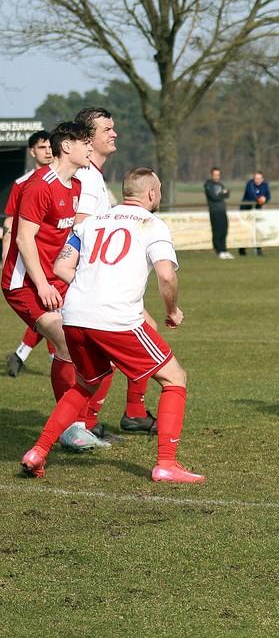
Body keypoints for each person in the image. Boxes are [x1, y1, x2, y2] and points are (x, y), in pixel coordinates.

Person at [21, 167, 203, 483]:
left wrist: (91, 286)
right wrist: (172, 310)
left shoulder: (91, 222)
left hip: (75, 315)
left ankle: (37, 452)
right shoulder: (152, 224)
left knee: (85, 385)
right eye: (159, 189)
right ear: (151, 193)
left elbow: (61, 266)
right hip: (115, 317)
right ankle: (166, 464)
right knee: (175, 378)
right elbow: (166, 275)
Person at [2, 122, 102, 450]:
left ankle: (80, 422)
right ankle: (71, 428)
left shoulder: (75, 186)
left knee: (88, 340)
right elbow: (23, 238)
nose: (90, 149)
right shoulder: (38, 186)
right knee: (65, 340)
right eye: (85, 143)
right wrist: (43, 283)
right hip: (24, 283)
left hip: (54, 279)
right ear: (67, 146)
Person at [71, 107, 157, 438]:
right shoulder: (88, 179)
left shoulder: (93, 176)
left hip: (90, 283)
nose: (114, 133)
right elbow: (78, 233)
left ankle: (93, 421)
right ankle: (84, 423)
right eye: (107, 129)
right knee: (96, 357)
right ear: (87, 138)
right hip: (87, 285)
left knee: (96, 358)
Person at [3, 130, 53, 377]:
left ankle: (21, 354)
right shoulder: (22, 184)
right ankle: (59, 361)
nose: (48, 151)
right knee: (52, 314)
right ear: (32, 151)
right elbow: (11, 223)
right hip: (34, 261)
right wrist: (5, 259)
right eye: (42, 147)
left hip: (57, 260)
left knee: (52, 314)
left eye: (50, 146)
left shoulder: (67, 181)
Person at [238, 171, 270, 256]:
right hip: (246, 210)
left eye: (259, 178)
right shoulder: (250, 184)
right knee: (246, 229)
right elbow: (252, 195)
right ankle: (242, 249)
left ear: (262, 179)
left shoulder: (265, 185)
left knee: (258, 229)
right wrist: (259, 199)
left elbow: (268, 196)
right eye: (256, 178)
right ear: (253, 178)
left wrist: (265, 199)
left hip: (257, 210)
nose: (257, 180)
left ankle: (259, 250)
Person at [204, 167, 232, 259]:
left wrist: (222, 194)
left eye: (218, 175)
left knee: (224, 230)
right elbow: (214, 197)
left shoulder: (220, 184)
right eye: (215, 175)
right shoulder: (208, 185)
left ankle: (224, 250)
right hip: (214, 211)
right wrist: (222, 194)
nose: (216, 177)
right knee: (217, 231)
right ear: (212, 175)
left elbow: (227, 194)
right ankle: (218, 250)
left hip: (222, 210)